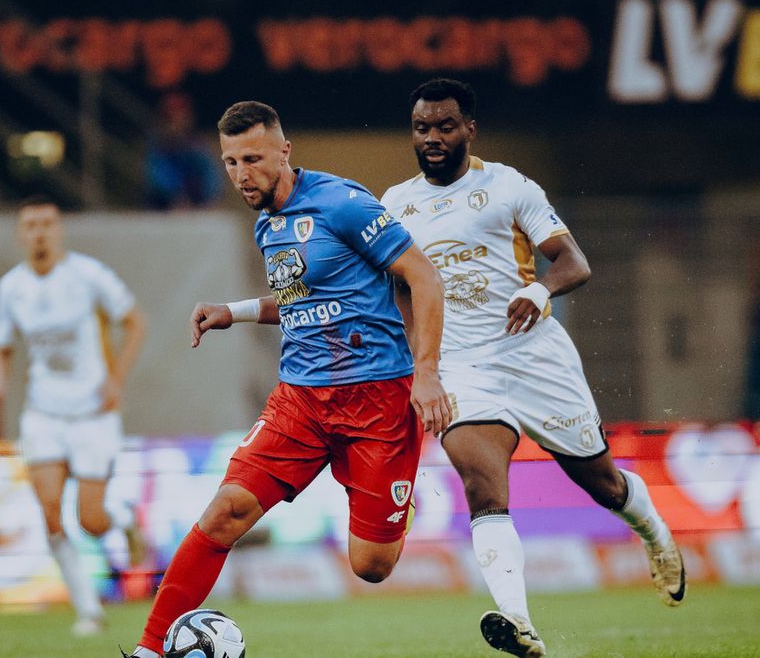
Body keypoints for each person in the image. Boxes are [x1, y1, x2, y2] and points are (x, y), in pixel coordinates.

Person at [123, 101, 451, 658]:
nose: (240, 174)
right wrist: (233, 311)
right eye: (230, 162)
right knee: (224, 513)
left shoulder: (343, 203)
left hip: (377, 399)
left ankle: (392, 509)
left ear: (284, 151)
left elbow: (425, 278)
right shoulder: (266, 225)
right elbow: (304, 300)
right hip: (299, 401)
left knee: (371, 565)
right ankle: (150, 651)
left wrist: (427, 374)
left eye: (252, 159)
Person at [382, 78, 685, 657]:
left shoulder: (509, 186)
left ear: (470, 129)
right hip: (461, 368)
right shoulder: (394, 204)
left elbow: (573, 261)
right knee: (482, 487)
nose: (433, 138)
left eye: (445, 126)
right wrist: (423, 363)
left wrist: (540, 291)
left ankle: (654, 532)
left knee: (602, 483)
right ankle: (519, 624)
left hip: (534, 357)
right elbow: (398, 288)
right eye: (422, 128)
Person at [0, 197, 148, 637]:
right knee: (51, 512)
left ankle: (123, 518)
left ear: (59, 231)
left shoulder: (88, 276)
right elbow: (1, 344)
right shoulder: (11, 287)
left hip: (93, 413)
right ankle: (88, 611)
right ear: (21, 234)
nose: (40, 233)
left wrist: (115, 380)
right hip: (44, 413)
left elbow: (135, 322)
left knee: (91, 521)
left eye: (47, 224)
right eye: (31, 225)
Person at [144, 91, 221, 210]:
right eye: (170, 120)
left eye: (181, 118)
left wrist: (207, 198)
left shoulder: (198, 146)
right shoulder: (158, 148)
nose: (176, 124)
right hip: (163, 207)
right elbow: (156, 179)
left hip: (198, 206)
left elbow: (211, 177)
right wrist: (175, 197)